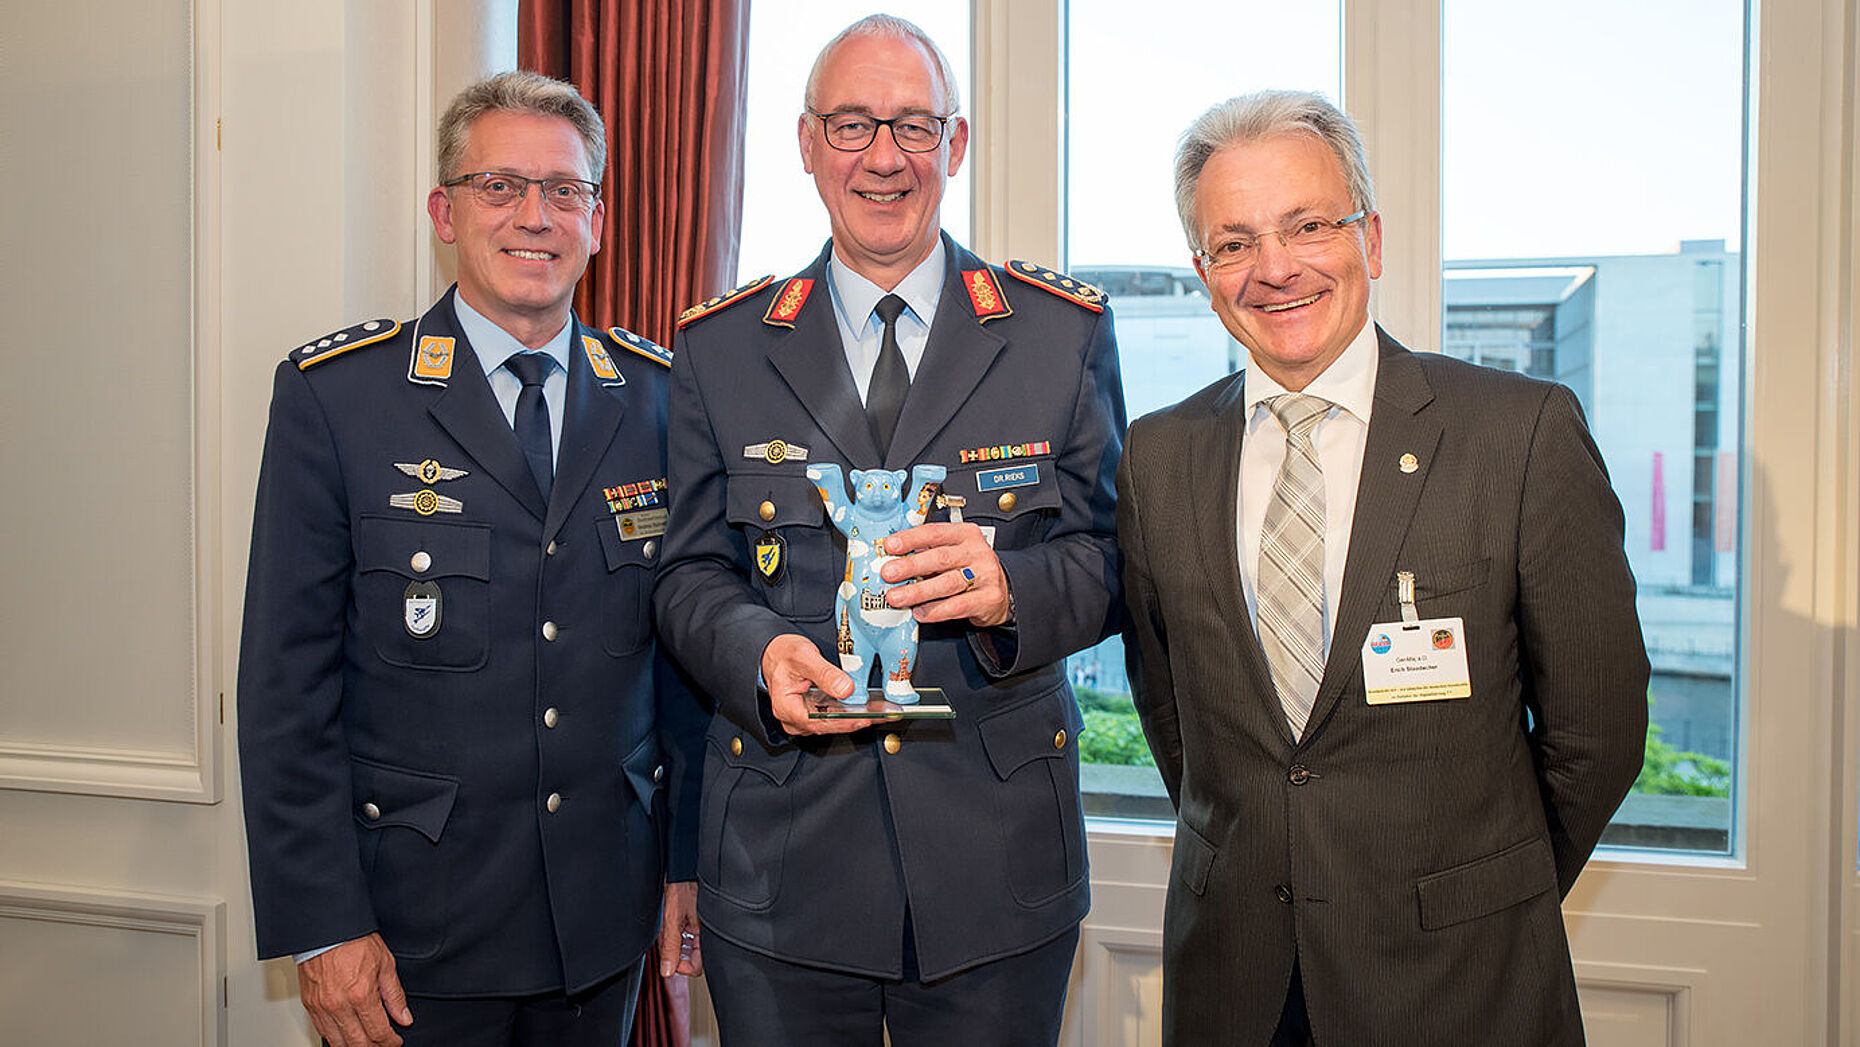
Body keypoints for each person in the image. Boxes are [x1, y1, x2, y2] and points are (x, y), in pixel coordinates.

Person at [1116, 90, 1649, 1046]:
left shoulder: (1519, 436)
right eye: (1234, 243)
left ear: (1371, 237)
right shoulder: (1157, 456)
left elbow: (1597, 735)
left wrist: (1484, 888)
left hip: (1458, 981)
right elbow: (1175, 712)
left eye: (1308, 225)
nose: (1274, 269)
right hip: (1235, 981)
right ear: (1204, 271)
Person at [652, 15, 1125, 1046]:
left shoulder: (1059, 334)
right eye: (853, 124)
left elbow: (1111, 559)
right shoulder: (720, 347)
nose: (883, 157)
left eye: (913, 127)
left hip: (996, 869)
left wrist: (1012, 593)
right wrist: (760, 650)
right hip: (782, 863)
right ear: (809, 143)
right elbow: (686, 574)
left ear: (955, 147)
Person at [237, 70, 705, 1047]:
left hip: (601, 922)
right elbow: (286, 694)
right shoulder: (341, 402)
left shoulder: (662, 403)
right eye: (501, 187)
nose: (535, 216)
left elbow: (681, 670)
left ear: (599, 221)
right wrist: (324, 924)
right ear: (444, 212)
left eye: (565, 191)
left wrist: (685, 865)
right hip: (411, 938)